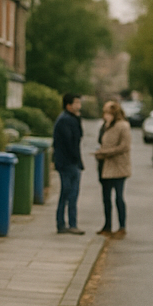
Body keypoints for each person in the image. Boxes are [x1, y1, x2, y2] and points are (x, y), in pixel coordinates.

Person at [94, 99, 132, 238]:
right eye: (105, 113)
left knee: (119, 197)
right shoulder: (105, 126)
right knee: (106, 197)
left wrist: (106, 152)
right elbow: (100, 140)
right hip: (104, 165)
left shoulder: (123, 126)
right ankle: (107, 225)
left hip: (118, 166)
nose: (106, 116)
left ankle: (122, 226)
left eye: (109, 113)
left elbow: (124, 146)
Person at [53, 92, 84, 234]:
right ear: (68, 105)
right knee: (70, 193)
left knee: (68, 193)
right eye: (76, 103)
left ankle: (65, 223)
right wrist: (77, 160)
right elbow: (70, 142)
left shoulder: (71, 119)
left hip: (69, 162)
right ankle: (69, 224)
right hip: (68, 163)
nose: (79, 105)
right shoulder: (66, 120)